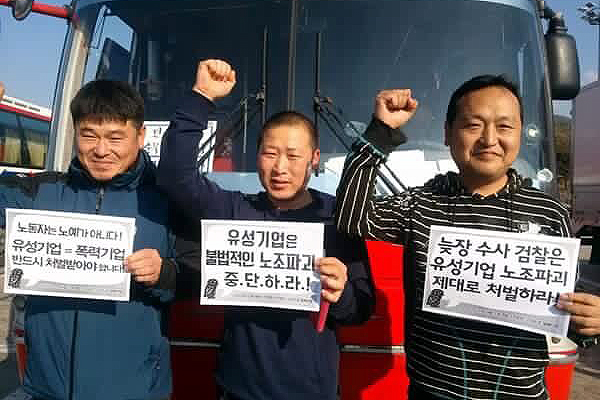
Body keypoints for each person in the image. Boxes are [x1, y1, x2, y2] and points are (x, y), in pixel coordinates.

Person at [334, 75, 600, 400]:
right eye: (473, 125)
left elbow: (565, 304)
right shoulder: (421, 204)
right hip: (431, 394)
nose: (489, 139)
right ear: (447, 133)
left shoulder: (548, 213)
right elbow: (351, 217)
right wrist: (380, 132)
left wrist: (587, 321)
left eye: (504, 126)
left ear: (520, 134)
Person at [157, 59, 374, 400]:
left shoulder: (337, 218)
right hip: (236, 390)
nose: (280, 168)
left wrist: (341, 293)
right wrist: (201, 98)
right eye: (270, 154)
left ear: (314, 158)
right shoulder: (235, 211)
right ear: (256, 155)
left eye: (293, 156)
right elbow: (175, 176)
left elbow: (361, 308)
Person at [0, 80, 176, 400]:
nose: (101, 150)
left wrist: (164, 272)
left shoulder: (169, 202)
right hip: (42, 389)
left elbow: (200, 273)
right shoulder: (41, 193)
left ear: (141, 136)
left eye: (115, 137)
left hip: (132, 390)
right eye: (89, 135)